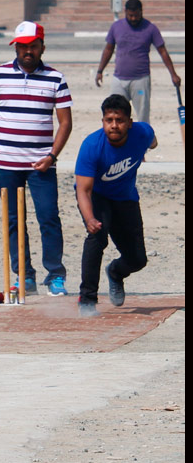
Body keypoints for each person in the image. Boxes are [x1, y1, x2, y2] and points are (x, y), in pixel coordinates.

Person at [0, 21, 73, 296]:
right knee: (13, 220)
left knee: (49, 217)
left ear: (42, 47)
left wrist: (52, 156)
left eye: (33, 46)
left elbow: (65, 123)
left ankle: (55, 275)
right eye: (22, 46)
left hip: (41, 164)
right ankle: (24, 276)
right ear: (16, 47)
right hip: (6, 162)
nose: (27, 51)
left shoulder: (56, 78)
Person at [73, 94, 157, 317]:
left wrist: (145, 147)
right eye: (109, 120)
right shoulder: (92, 146)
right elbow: (83, 190)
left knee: (138, 259)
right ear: (103, 122)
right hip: (97, 197)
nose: (114, 125)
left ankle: (116, 272)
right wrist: (90, 218)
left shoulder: (143, 133)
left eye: (119, 120)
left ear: (129, 122)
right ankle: (87, 300)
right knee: (97, 238)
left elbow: (153, 141)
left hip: (126, 197)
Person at [94, 0, 181, 126]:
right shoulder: (116, 27)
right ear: (125, 12)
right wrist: (100, 71)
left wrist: (173, 74)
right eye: (130, 15)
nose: (133, 18)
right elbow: (108, 49)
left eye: (136, 15)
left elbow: (163, 51)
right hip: (119, 79)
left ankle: (143, 138)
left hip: (141, 80)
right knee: (114, 113)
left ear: (141, 12)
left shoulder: (150, 28)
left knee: (142, 116)